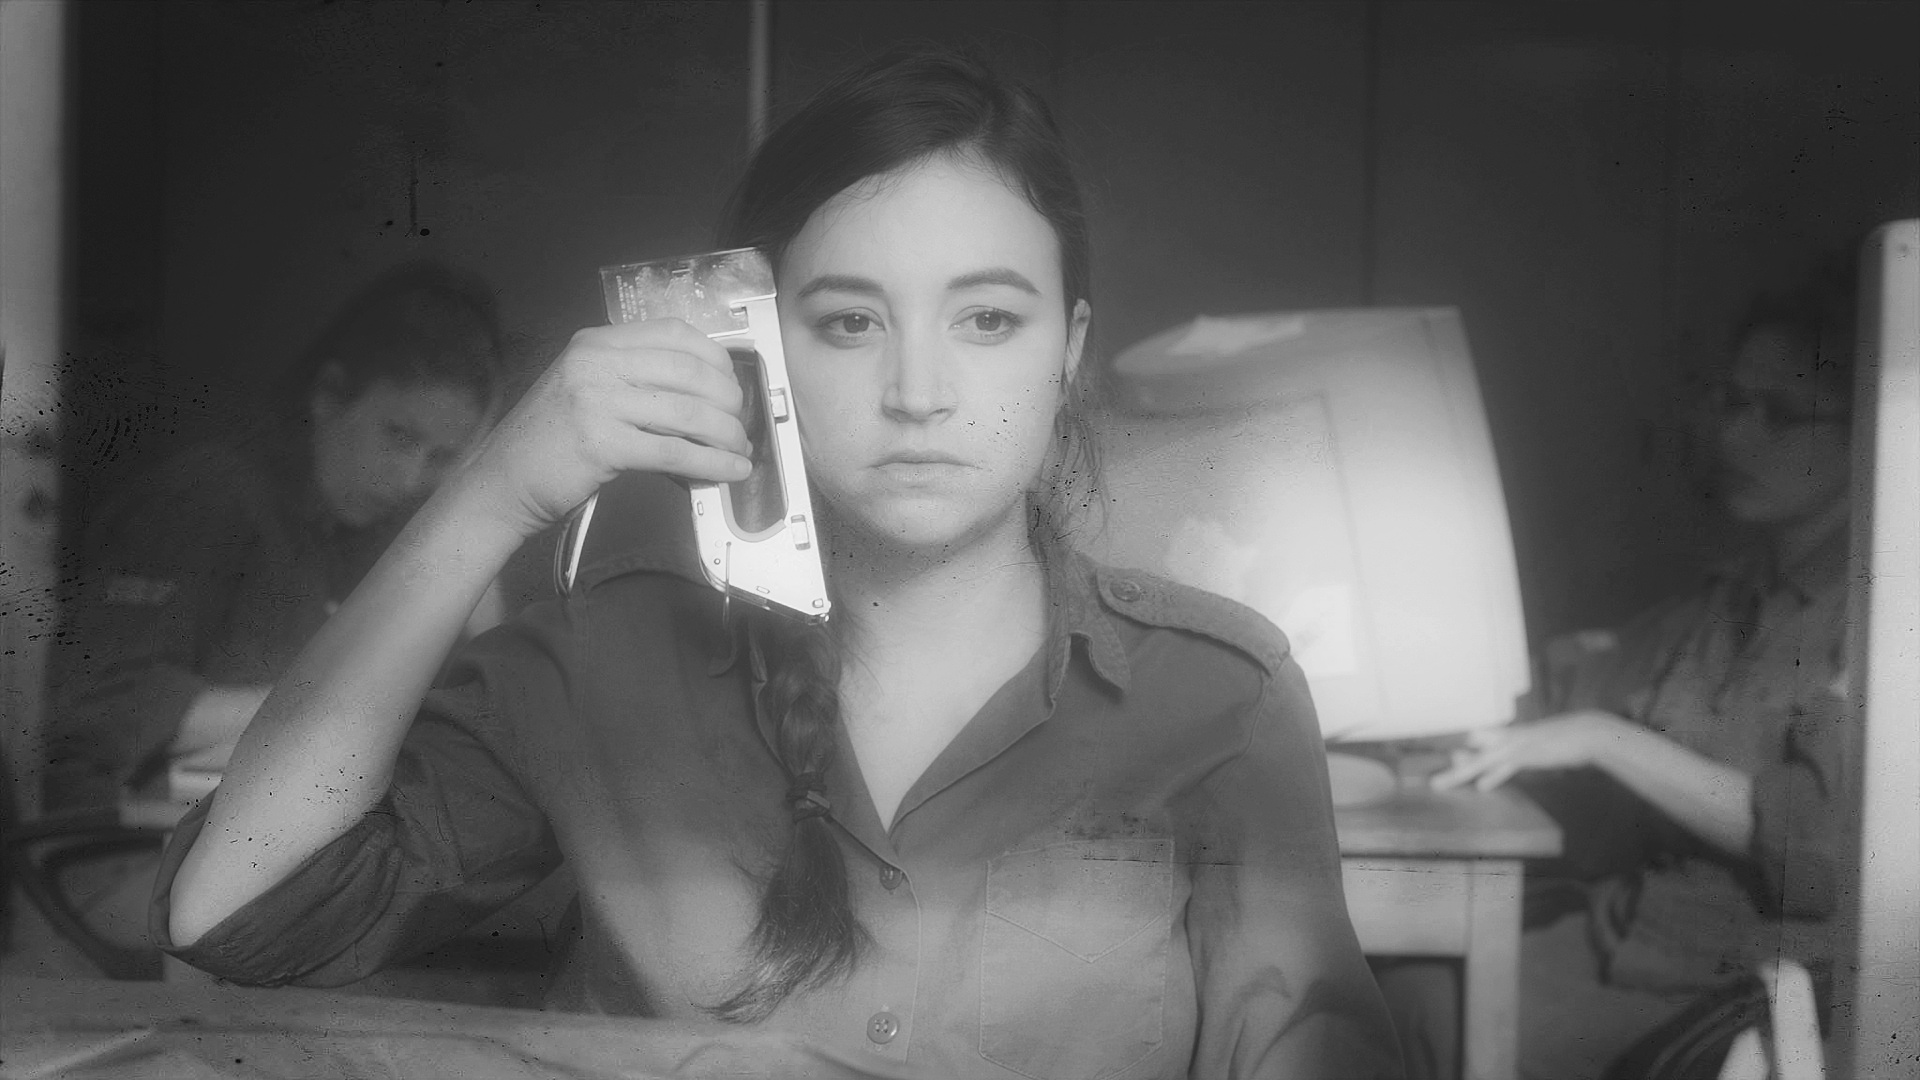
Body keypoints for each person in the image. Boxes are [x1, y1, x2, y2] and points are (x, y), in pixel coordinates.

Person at [154, 52, 1402, 1078]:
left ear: (1067, 348)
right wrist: (493, 493)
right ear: (754, 345)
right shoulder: (603, 657)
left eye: (987, 319)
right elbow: (239, 914)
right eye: (850, 321)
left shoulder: (1221, 694)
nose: (919, 391)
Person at [1407, 280, 1859, 1080]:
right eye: (1733, 402)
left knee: (1410, 1025)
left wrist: (1602, 740)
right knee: (1404, 998)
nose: (1736, 435)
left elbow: (1814, 856)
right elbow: (1572, 685)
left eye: (1781, 414)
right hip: (1631, 941)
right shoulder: (1734, 597)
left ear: (1870, 430)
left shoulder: (1879, 621)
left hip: (1742, 987)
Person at [43, 262, 506, 813]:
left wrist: (476, 515)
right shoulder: (206, 499)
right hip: (124, 836)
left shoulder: (384, 533)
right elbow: (98, 707)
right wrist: (351, 712)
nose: (410, 478)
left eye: (441, 457)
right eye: (399, 435)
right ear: (329, 396)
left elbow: (484, 713)